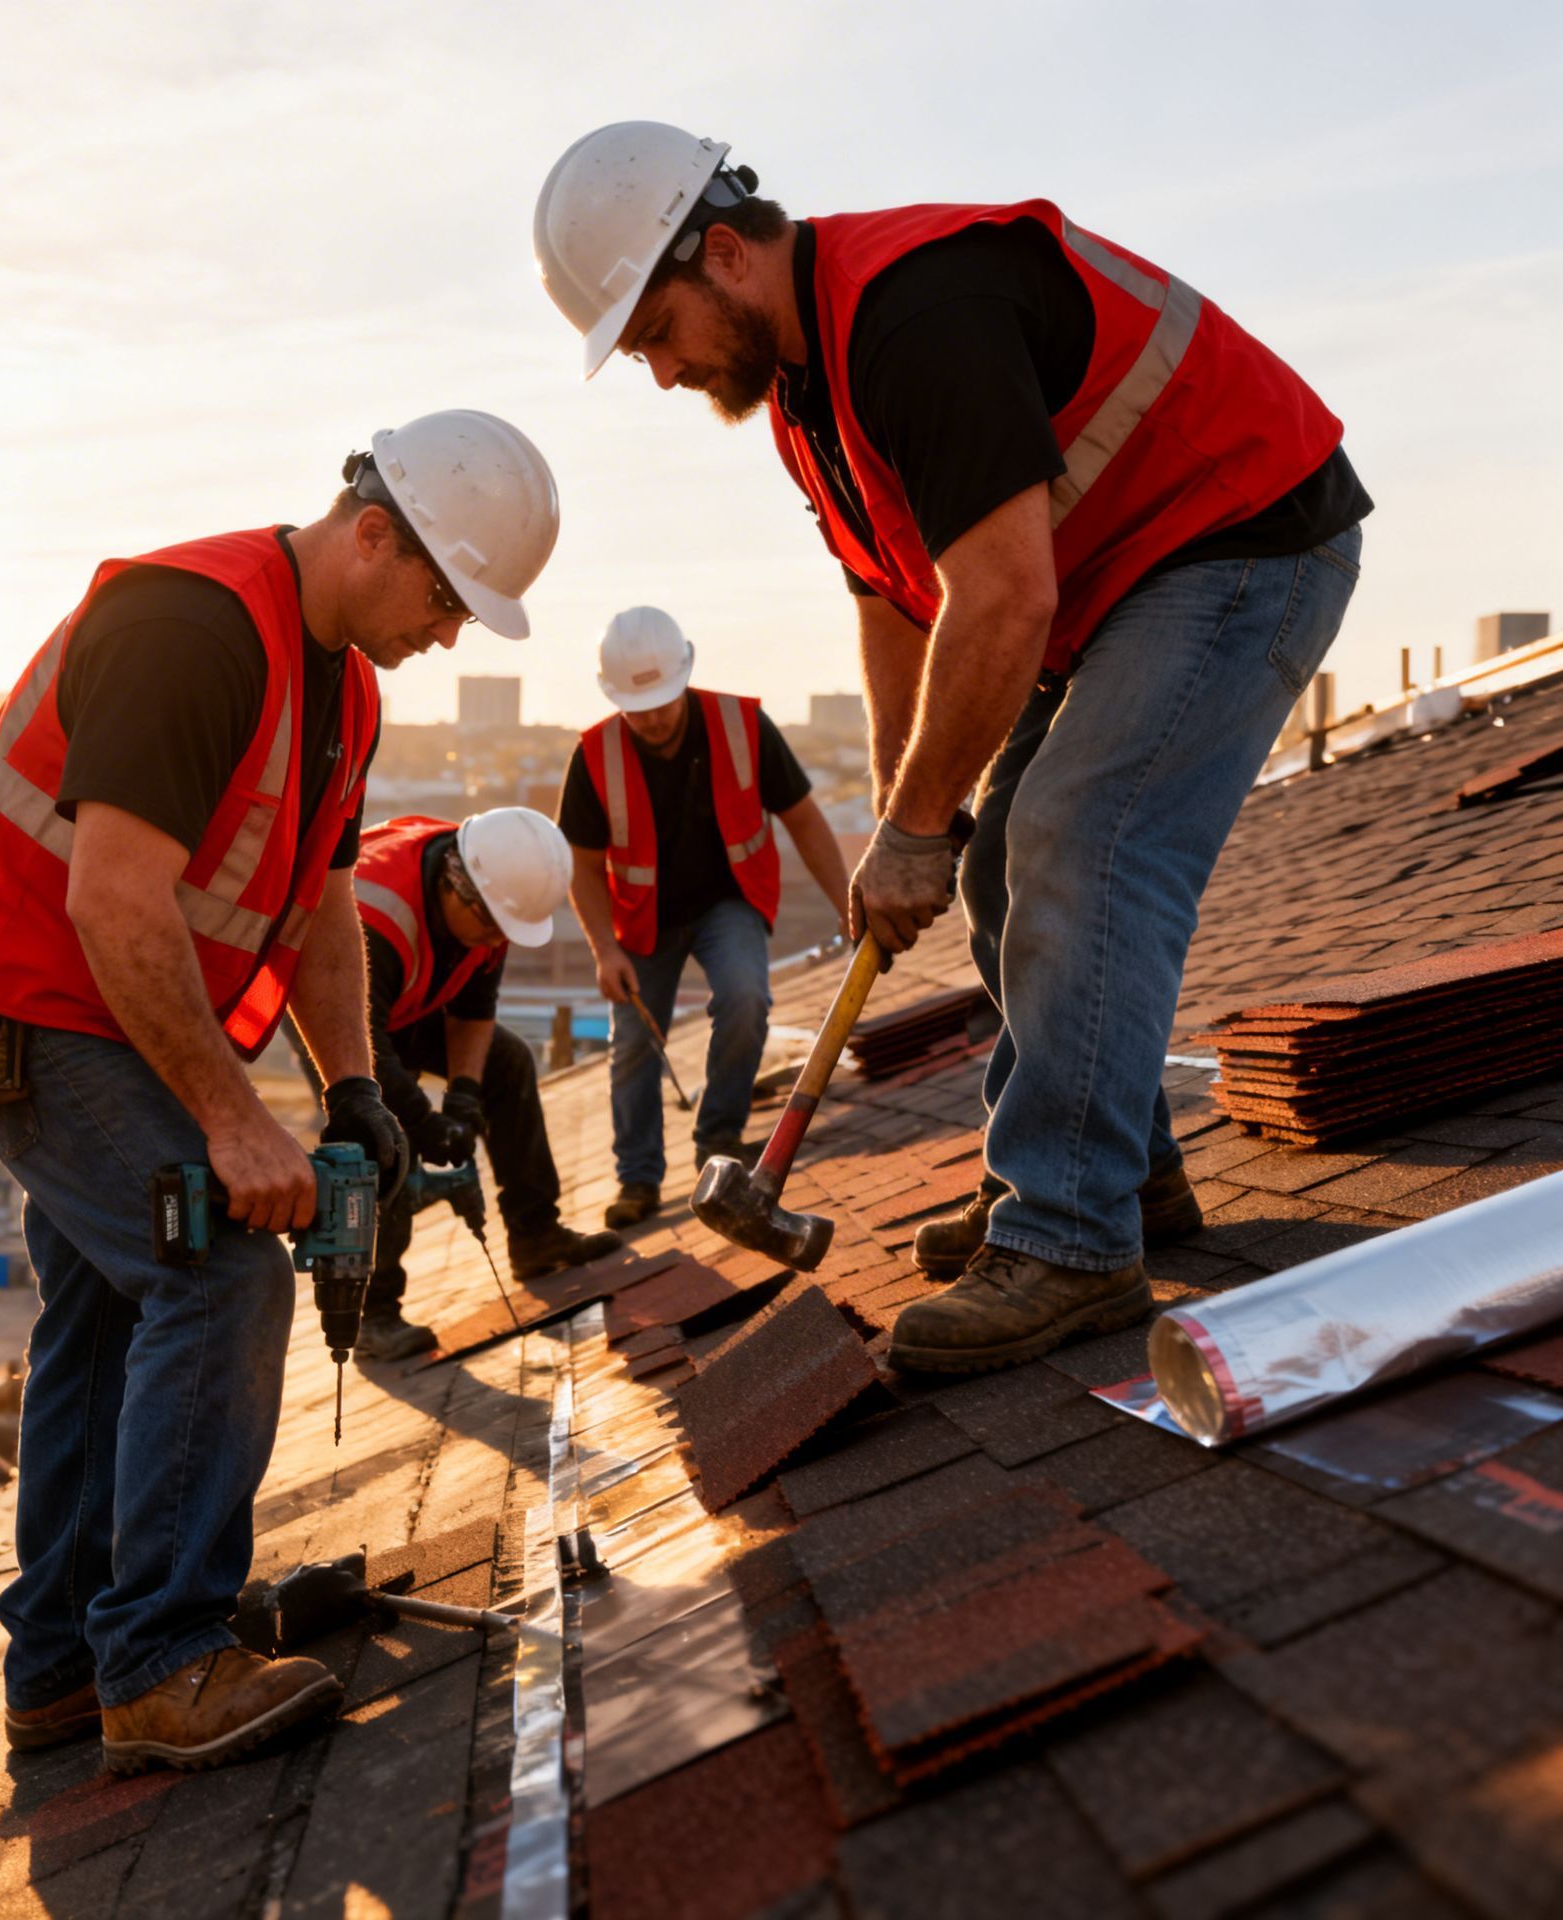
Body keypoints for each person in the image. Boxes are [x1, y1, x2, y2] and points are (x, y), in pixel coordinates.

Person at [537, 125, 1370, 1371]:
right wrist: (902, 813)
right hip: (1121, 586)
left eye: (657, 334)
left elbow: (1002, 600)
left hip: (1242, 538)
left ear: (722, 255)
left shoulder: (913, 312)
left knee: (1079, 839)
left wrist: (922, 824)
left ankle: (1073, 1241)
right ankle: (1116, 1174)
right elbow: (891, 600)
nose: (661, 374)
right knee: (991, 870)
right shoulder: (805, 399)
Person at [0, 410, 560, 1774]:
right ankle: (165, 1657)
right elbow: (114, 894)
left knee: (101, 1313)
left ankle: (63, 1670)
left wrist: (356, 1088)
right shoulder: (190, 627)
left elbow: (320, 911)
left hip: (96, 1011)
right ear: (374, 534)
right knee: (219, 1266)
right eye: (444, 598)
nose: (447, 635)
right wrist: (231, 1116)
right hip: (17, 1000)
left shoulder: (348, 692)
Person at [559, 606, 852, 1227]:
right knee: (635, 1043)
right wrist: (603, 951)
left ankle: (718, 1145)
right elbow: (582, 868)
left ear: (686, 675)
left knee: (746, 997)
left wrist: (846, 904)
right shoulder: (594, 755)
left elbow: (803, 819)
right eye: (637, 708)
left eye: (663, 701)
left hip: (730, 899)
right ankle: (637, 1180)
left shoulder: (743, 724)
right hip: (643, 920)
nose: (653, 717)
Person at [350, 807, 622, 1359]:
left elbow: (474, 1011)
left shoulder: (494, 900)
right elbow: (365, 1049)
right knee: (375, 1131)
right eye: (492, 927)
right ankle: (372, 1314)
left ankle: (535, 1233)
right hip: (331, 1011)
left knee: (509, 1060)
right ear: (456, 884)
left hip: (402, 999)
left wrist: (465, 1095)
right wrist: (424, 1124)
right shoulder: (374, 914)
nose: (496, 940)